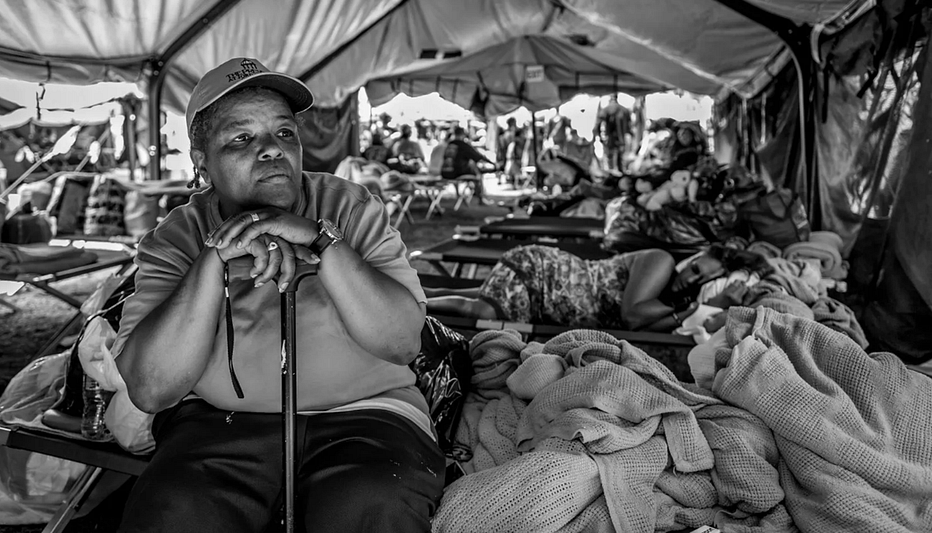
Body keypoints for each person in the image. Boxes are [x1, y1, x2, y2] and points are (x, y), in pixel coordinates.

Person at [114, 57, 444, 532]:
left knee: (371, 504)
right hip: (220, 422)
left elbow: (402, 344)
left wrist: (321, 240)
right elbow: (151, 389)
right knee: (174, 510)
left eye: (284, 133)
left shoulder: (350, 208)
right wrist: (216, 257)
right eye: (242, 138)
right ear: (201, 160)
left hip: (369, 416)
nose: (271, 150)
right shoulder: (177, 237)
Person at [426, 245, 703, 332]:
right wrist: (684, 306)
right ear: (691, 258)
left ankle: (416, 291)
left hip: (547, 299)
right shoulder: (661, 260)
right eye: (696, 269)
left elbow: (642, 326)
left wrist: (686, 310)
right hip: (546, 274)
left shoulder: (662, 302)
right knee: (483, 309)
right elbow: (633, 316)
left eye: (700, 281)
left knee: (479, 298)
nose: (691, 279)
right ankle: (414, 303)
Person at [439, 125, 492, 200]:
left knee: (468, 166)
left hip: (444, 172)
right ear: (463, 135)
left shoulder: (449, 144)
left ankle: (459, 194)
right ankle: (481, 198)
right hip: (457, 173)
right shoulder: (463, 145)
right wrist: (492, 163)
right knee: (476, 172)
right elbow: (478, 156)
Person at [596, 95, 632, 173]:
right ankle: (620, 175)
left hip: (610, 138)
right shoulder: (625, 110)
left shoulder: (606, 110)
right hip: (621, 138)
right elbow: (629, 126)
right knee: (620, 159)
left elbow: (598, 124)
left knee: (610, 159)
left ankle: (612, 175)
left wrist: (600, 136)